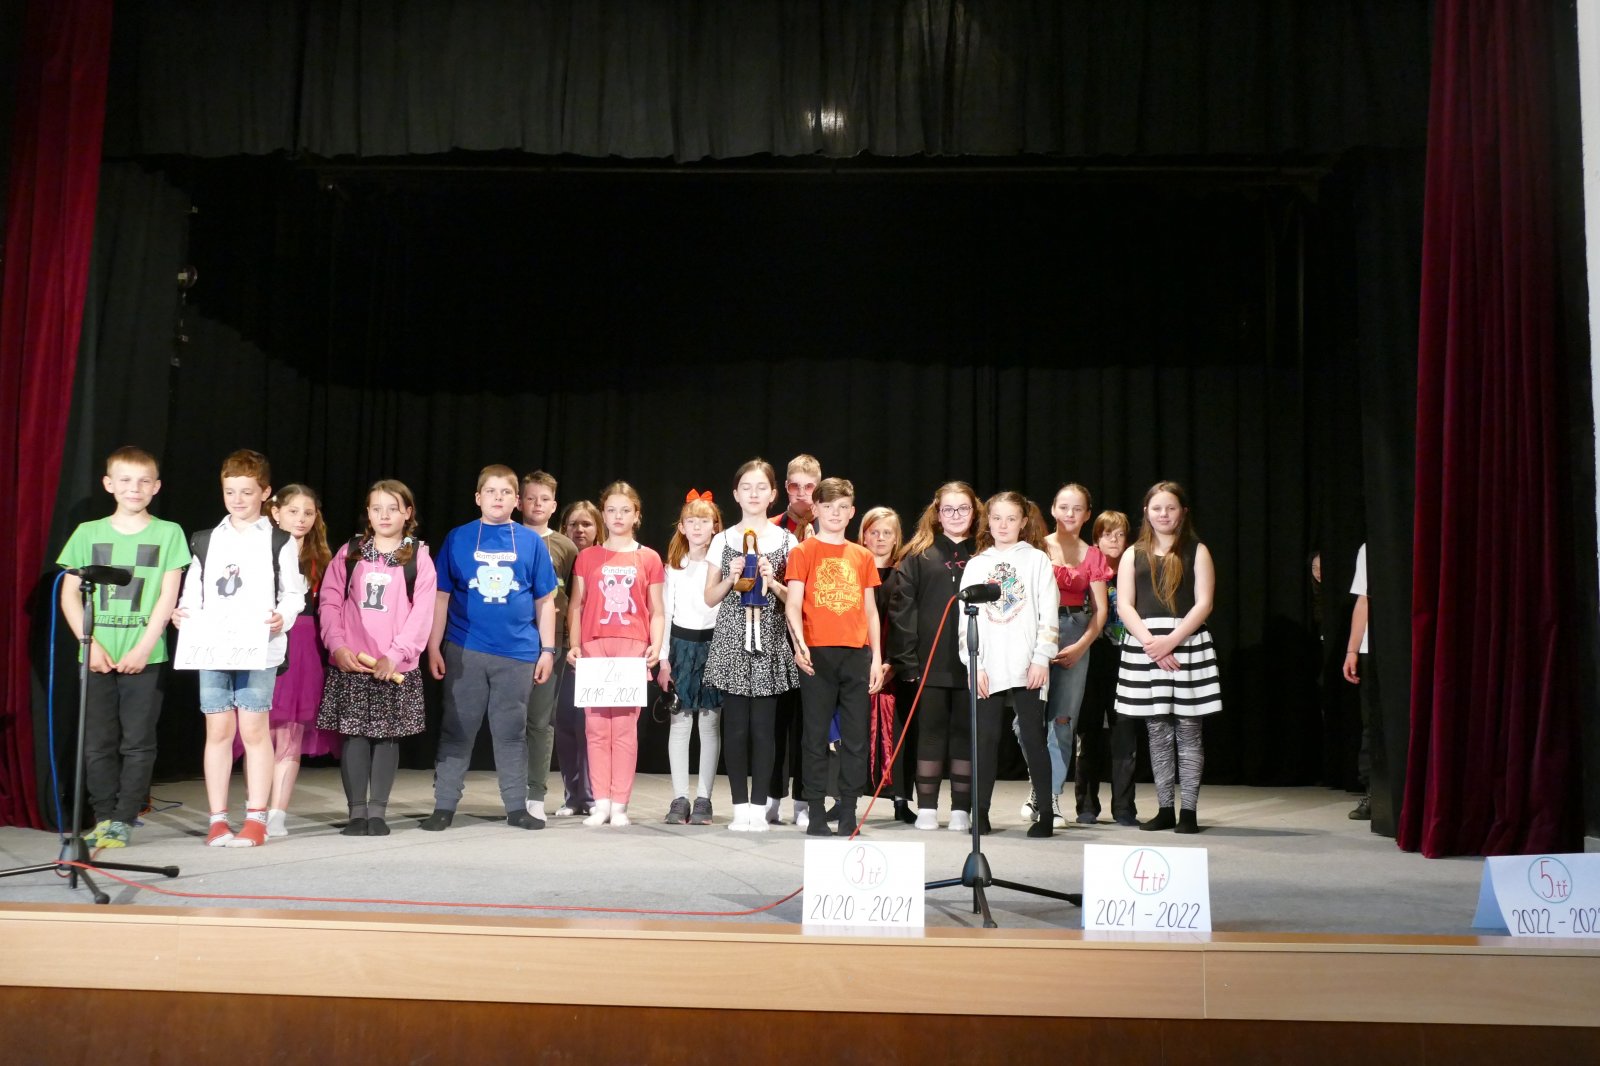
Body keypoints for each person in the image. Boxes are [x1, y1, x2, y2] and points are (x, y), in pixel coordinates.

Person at [57, 446, 189, 849]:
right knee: (97, 742)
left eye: (144, 481)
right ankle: (103, 815)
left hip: (145, 655)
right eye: (126, 480)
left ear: (156, 487)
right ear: (109, 484)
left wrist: (145, 647)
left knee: (138, 742)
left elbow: (168, 595)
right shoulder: (87, 533)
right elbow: (69, 594)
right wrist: (89, 644)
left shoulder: (169, 533)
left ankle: (125, 817)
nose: (135, 488)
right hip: (96, 654)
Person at [174, 449, 306, 847]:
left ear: (265, 493)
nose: (237, 499)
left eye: (247, 492)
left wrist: (283, 616)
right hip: (213, 647)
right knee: (217, 729)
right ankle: (217, 818)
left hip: (258, 648)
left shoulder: (278, 540)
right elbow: (193, 592)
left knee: (253, 728)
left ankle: (256, 817)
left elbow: (293, 593)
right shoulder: (206, 540)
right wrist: (184, 613)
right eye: (230, 491)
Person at [421, 464, 557, 831]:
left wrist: (547, 650)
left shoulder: (531, 542)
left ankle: (516, 807)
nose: (498, 497)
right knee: (457, 728)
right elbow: (441, 597)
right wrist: (434, 646)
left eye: (506, 492)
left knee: (511, 732)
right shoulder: (459, 537)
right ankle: (444, 806)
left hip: (517, 654)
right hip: (465, 649)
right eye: (491, 491)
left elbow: (545, 600)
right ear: (478, 497)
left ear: (517, 500)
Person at [318, 480, 436, 836]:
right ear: (368, 513)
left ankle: (378, 812)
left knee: (387, 738)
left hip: (393, 666)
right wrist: (338, 646)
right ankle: (357, 812)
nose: (384, 515)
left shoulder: (418, 557)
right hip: (353, 662)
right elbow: (330, 600)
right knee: (353, 737)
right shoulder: (351, 552)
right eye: (377, 508)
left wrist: (395, 655)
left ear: (407, 513)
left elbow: (422, 614)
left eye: (393, 508)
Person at [1114, 481, 1221, 834]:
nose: (1164, 514)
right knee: (1157, 731)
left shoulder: (1197, 550)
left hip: (1186, 642)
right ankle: (1164, 809)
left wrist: (1172, 641)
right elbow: (1124, 604)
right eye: (1157, 508)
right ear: (1146, 512)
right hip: (1145, 645)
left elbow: (1204, 603)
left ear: (1183, 512)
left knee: (1189, 731)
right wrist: (1151, 644)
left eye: (1171, 508)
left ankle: (1188, 811)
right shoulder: (1132, 554)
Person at [237, 485, 339, 838]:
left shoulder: (320, 558)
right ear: (275, 512)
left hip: (303, 644)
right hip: (262, 639)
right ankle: (255, 808)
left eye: (308, 513)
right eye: (293, 511)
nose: (301, 519)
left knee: (291, 730)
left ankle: (278, 812)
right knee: (259, 728)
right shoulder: (256, 548)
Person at [703, 458, 798, 832]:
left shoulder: (787, 541)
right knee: (736, 730)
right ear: (735, 494)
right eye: (747, 487)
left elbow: (796, 599)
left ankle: (760, 806)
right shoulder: (723, 539)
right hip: (732, 642)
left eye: (761, 487)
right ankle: (739, 806)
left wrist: (773, 582)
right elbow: (710, 597)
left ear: (773, 494)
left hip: (769, 641)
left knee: (764, 730)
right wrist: (731, 578)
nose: (754, 494)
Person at [786, 478, 884, 837]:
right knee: (814, 735)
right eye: (828, 507)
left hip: (856, 654)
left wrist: (876, 657)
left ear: (852, 511)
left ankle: (848, 810)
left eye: (842, 507)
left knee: (856, 737)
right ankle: (815, 810)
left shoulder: (862, 556)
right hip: (817, 653)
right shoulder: (803, 552)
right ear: (816, 509)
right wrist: (799, 645)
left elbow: (870, 611)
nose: (835, 513)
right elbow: (793, 605)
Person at [957, 491, 1058, 837]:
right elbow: (965, 620)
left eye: (1011, 518)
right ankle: (980, 812)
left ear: (1023, 522)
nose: (1003, 525)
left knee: (1033, 737)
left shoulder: (1037, 561)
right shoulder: (977, 564)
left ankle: (1046, 814)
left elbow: (1048, 612)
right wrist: (974, 665)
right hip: (988, 663)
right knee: (985, 739)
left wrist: (1042, 657)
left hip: (1028, 662)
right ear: (988, 521)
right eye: (997, 518)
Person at [567, 481, 666, 827]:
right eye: (611, 510)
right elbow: (576, 606)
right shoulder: (587, 557)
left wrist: (656, 644)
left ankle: (620, 802)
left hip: (631, 646)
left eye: (625, 510)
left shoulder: (649, 557)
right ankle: (601, 802)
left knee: (624, 728)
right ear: (603, 514)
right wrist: (575, 644)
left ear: (637, 515)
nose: (618, 516)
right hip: (595, 645)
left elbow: (657, 609)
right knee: (595, 727)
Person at [887, 482, 983, 831]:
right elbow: (902, 610)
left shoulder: (985, 553)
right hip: (929, 660)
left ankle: (961, 809)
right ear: (937, 513)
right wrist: (907, 660)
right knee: (929, 732)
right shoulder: (918, 554)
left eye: (963, 509)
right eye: (948, 509)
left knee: (964, 733)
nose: (956, 515)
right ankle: (927, 806)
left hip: (974, 661)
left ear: (974, 512)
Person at [1021, 484, 1110, 827]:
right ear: (1053, 509)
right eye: (1064, 507)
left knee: (1062, 719)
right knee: (1025, 720)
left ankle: (1051, 797)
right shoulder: (1035, 549)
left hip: (1075, 632)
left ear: (1087, 514)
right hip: (1034, 633)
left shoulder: (1093, 555)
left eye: (1078, 508)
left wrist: (1081, 646)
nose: (1070, 514)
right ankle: (1039, 785)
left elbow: (1100, 611)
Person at [659, 490, 724, 825]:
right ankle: (680, 797)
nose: (698, 527)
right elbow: (666, 613)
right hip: (681, 647)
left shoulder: (722, 566)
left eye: (704, 521)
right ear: (682, 527)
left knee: (709, 724)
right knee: (680, 721)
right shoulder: (673, 567)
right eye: (691, 521)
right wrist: (663, 660)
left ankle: (704, 799)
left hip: (713, 645)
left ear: (715, 527)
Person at [518, 471, 578, 823]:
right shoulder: (507, 538)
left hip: (551, 643)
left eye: (544, 499)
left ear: (554, 506)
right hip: (510, 643)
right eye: (530, 498)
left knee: (541, 721)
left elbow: (573, 598)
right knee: (510, 722)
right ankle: (513, 790)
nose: (537, 504)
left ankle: (535, 794)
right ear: (519, 502)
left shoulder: (565, 547)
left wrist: (567, 641)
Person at [1073, 510, 1139, 826]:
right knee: (1088, 735)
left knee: (1124, 736)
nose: (1113, 539)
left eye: (1120, 533)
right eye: (1106, 533)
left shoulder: (1134, 570)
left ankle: (1124, 807)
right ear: (1096, 538)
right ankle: (1086, 805)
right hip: (1091, 658)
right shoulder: (1087, 568)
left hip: (1126, 661)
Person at [769, 453, 820, 825]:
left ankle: (804, 801)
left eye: (809, 486)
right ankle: (772, 797)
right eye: (794, 486)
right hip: (775, 633)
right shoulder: (771, 528)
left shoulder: (830, 526)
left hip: (815, 634)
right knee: (775, 722)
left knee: (808, 723)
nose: (802, 493)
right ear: (785, 487)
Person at [857, 505, 914, 823]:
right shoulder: (853, 569)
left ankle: (901, 799)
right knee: (856, 731)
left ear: (896, 538)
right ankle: (846, 797)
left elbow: (907, 623)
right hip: (858, 662)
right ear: (863, 536)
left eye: (887, 533)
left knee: (898, 732)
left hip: (894, 665)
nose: (880, 538)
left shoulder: (904, 573)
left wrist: (893, 662)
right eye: (874, 532)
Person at [551, 499, 603, 816]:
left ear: (598, 528)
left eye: (586, 524)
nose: (580, 530)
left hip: (596, 650)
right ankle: (572, 795)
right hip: (562, 649)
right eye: (573, 524)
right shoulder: (560, 559)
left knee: (591, 724)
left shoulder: (604, 560)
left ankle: (592, 793)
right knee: (565, 723)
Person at [1343, 542, 1378, 822]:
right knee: (1372, 723)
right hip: (1371, 649)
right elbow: (1364, 599)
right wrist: (1352, 650)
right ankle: (1373, 793)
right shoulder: (1370, 547)